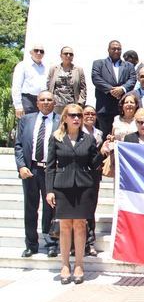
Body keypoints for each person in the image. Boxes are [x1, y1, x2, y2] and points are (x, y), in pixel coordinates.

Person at [45, 104, 110, 284]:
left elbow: (94, 163)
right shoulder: (56, 138)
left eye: (79, 116)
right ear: (65, 117)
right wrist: (49, 190)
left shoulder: (88, 139)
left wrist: (103, 151)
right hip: (62, 187)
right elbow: (50, 166)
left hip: (83, 186)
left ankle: (79, 264)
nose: (77, 118)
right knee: (65, 226)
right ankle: (65, 265)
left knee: (80, 225)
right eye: (73, 115)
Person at [14, 91, 60, 258]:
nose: (46, 102)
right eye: (42, 100)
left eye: (49, 100)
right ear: (37, 103)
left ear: (54, 103)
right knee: (30, 208)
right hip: (31, 170)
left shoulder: (61, 120)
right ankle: (31, 244)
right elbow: (18, 145)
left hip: (51, 171)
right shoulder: (26, 120)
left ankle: (51, 243)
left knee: (50, 209)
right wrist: (21, 166)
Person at [91, 40, 137, 139]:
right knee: (105, 138)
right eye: (114, 48)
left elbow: (132, 79)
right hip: (104, 108)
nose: (116, 51)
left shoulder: (129, 66)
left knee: (123, 137)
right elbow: (96, 78)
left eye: (119, 49)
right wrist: (112, 90)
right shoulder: (99, 63)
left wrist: (122, 89)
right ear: (108, 50)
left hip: (122, 109)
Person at [81, 106, 102, 257]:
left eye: (92, 114)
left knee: (91, 210)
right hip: (79, 175)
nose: (90, 116)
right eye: (86, 113)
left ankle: (90, 241)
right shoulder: (76, 131)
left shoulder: (99, 133)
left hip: (94, 176)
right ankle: (78, 243)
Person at [47, 46, 86, 115]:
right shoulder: (53, 69)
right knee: (56, 124)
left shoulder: (79, 70)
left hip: (72, 104)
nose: (68, 55)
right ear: (61, 55)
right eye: (66, 53)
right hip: (56, 105)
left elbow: (83, 88)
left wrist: (80, 102)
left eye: (71, 54)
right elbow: (48, 85)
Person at [12, 44, 48, 118]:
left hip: (42, 101)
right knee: (26, 125)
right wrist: (18, 106)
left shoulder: (46, 67)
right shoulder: (22, 65)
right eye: (36, 50)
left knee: (39, 125)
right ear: (31, 52)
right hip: (27, 101)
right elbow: (16, 86)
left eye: (41, 51)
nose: (39, 53)